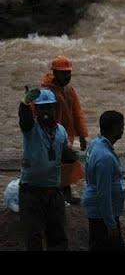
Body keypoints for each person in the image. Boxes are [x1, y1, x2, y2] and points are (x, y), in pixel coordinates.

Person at [18, 87, 79, 251]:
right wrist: (24, 104)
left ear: (55, 108)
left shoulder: (61, 131)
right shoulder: (31, 129)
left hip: (54, 193)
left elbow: (65, 154)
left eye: (49, 107)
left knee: (58, 238)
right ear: (35, 110)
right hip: (31, 193)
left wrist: (78, 156)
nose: (46, 111)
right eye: (41, 108)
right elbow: (25, 120)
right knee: (34, 238)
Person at [41, 55, 88, 205]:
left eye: (68, 73)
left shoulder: (69, 90)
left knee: (66, 165)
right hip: (50, 136)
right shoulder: (47, 92)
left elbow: (77, 112)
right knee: (53, 165)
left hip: (66, 135)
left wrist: (82, 135)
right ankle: (57, 196)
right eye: (63, 73)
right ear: (54, 73)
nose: (67, 76)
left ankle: (65, 195)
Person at [82, 111, 125, 251]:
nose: (123, 130)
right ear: (113, 128)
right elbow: (103, 193)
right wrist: (110, 222)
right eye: (121, 126)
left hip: (99, 211)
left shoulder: (95, 144)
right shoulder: (104, 157)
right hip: (103, 214)